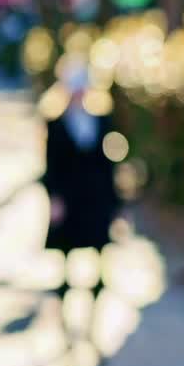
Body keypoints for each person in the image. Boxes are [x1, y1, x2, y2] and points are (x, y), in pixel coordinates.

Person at [41, 61, 121, 290]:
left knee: (97, 234)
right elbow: (52, 163)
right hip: (70, 191)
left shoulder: (101, 121)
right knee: (69, 237)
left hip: (95, 191)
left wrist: (115, 199)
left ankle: (99, 276)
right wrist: (54, 196)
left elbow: (108, 163)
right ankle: (65, 278)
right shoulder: (57, 125)